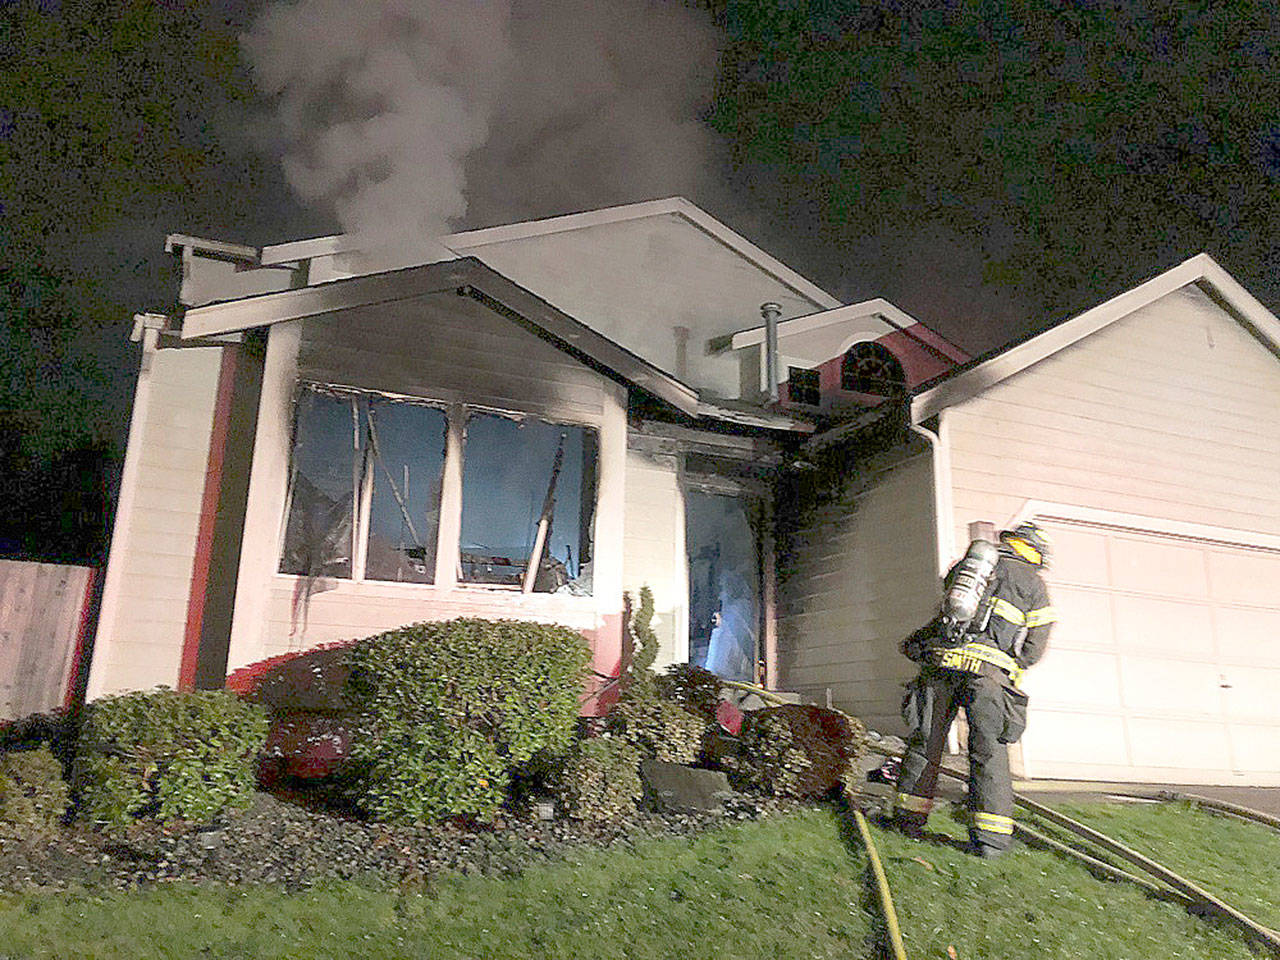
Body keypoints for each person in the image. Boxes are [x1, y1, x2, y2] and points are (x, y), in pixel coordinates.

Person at [892, 522, 1057, 859]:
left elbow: (944, 618)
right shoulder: (1033, 584)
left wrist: (916, 645)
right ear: (1035, 551)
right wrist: (1014, 663)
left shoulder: (968, 569)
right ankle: (990, 840)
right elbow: (1034, 648)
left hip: (942, 669)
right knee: (988, 754)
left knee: (926, 744)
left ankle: (907, 819)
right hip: (988, 679)